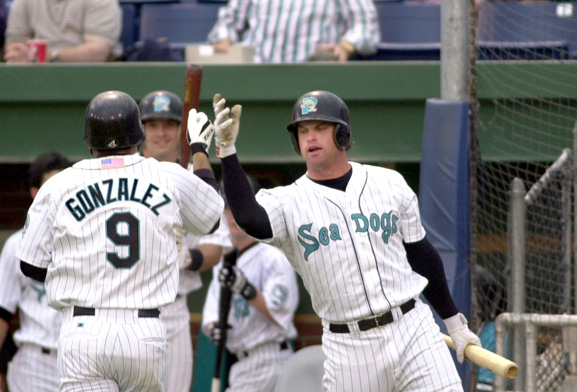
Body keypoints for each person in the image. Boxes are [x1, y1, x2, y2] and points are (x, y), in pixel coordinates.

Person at [212, 90, 481, 391]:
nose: (310, 138)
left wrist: (454, 322)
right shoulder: (287, 201)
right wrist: (227, 149)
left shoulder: (388, 183)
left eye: (320, 128)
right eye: (303, 131)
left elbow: (422, 256)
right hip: (349, 345)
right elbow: (250, 219)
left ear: (342, 134)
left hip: (412, 328)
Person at [15, 90, 224, 391]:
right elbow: (211, 216)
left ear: (89, 140)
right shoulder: (166, 175)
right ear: (138, 135)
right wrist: (201, 149)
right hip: (145, 330)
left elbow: (30, 265)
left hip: (83, 330)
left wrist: (80, 269)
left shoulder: (59, 184)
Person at [139, 90, 233, 392]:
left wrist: (187, 257)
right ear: (141, 130)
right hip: (127, 306)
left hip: (173, 309)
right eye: (153, 125)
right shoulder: (126, 173)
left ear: (182, 129)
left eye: (169, 124)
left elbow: (215, 248)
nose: (161, 132)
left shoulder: (196, 178)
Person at [201, 175, 299, 391]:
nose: (233, 215)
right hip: (241, 363)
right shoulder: (224, 260)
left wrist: (246, 289)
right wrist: (214, 328)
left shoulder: (273, 256)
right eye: (228, 208)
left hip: (268, 357)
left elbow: (280, 312)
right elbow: (210, 317)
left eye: (239, 207)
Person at [0, 152, 70, 392]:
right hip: (33, 364)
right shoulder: (16, 244)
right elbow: (2, 312)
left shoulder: (87, 240)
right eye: (51, 186)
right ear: (34, 192)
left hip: (79, 360)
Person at [206, 0, 380, 64]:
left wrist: (346, 46)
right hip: (256, 73)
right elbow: (228, 21)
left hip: (313, 78)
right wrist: (224, 39)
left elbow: (365, 26)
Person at [3, 0, 122, 63]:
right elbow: (15, 43)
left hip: (91, 77)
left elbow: (98, 52)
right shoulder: (23, 2)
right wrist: (19, 55)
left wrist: (51, 56)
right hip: (34, 77)